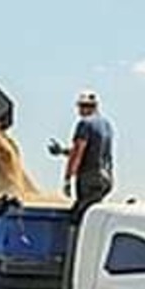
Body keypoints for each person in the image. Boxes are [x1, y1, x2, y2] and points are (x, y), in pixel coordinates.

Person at [49, 90, 115, 222]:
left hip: (90, 178)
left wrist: (67, 178)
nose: (80, 110)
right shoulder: (107, 125)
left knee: (79, 216)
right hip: (106, 178)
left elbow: (78, 152)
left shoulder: (84, 124)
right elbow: (92, 150)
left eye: (82, 106)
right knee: (90, 212)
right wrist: (62, 151)